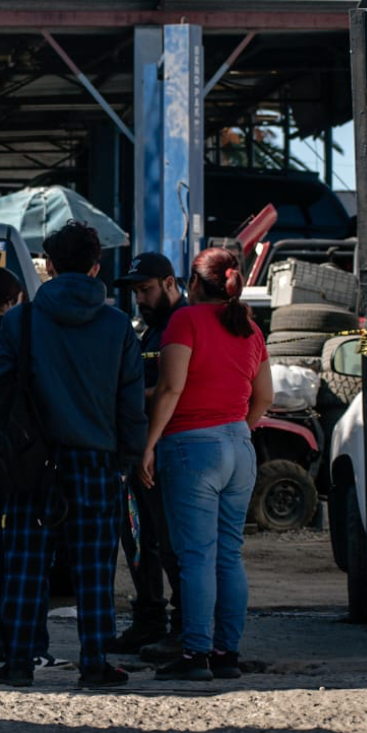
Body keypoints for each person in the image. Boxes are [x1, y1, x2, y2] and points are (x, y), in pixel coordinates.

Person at [0, 221, 147, 688]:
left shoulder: (21, 320)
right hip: (97, 461)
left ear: (49, 266)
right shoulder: (117, 325)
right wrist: (127, 458)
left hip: (32, 461)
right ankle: (95, 662)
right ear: (96, 266)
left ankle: (18, 662)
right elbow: (130, 401)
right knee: (94, 568)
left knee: (26, 564)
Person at [139, 246, 274, 681]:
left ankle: (195, 654)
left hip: (192, 446)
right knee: (228, 555)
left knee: (195, 556)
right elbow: (265, 397)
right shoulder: (250, 329)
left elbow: (171, 387)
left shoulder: (186, 320)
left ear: (194, 283)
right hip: (239, 444)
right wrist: (237, 429)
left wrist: (150, 444)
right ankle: (226, 654)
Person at [0, 268, 66, 672]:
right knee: (24, 555)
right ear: (13, 298)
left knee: (2, 554)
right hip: (17, 453)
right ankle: (23, 644)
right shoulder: (10, 332)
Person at [110, 253, 187, 660]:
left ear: (170, 283)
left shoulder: (182, 323)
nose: (140, 297)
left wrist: (127, 399)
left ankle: (180, 628)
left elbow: (177, 386)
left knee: (169, 543)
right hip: (142, 450)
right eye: (136, 291)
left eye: (146, 289)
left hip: (166, 449)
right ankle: (150, 619)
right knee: (140, 539)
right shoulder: (154, 328)